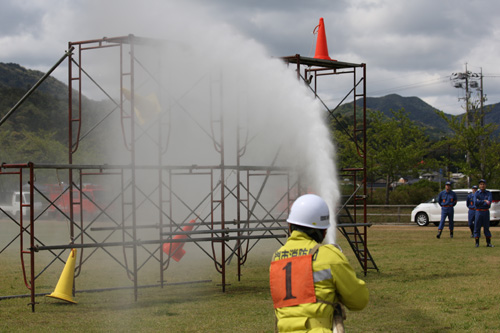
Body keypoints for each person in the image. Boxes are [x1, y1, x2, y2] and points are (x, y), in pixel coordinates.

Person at [269, 194, 369, 332]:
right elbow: (359, 300)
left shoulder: (277, 258)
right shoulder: (328, 255)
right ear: (322, 231)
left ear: (290, 226)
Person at [474, 179, 494, 248]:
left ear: (485, 185)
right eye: (481, 184)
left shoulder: (488, 193)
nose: (482, 185)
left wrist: (480, 201)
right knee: (477, 227)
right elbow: (475, 203)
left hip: (485, 211)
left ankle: (488, 243)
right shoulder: (476, 193)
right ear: (479, 185)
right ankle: (477, 243)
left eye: (483, 184)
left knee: (486, 227)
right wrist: (484, 201)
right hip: (478, 212)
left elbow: (489, 202)